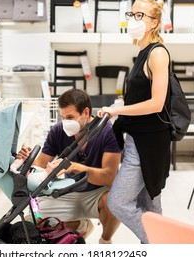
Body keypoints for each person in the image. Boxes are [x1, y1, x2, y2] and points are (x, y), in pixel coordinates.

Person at [97, 0, 171, 244]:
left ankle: (158, 242)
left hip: (148, 143)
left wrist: (119, 110)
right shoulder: (142, 52)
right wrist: (118, 110)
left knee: (118, 202)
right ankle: (155, 246)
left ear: (154, 23)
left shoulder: (157, 54)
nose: (133, 20)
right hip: (138, 138)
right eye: (131, 14)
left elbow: (156, 103)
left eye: (140, 16)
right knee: (148, 206)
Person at [17, 88, 122, 244]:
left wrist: (75, 167)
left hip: (97, 193)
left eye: (70, 117)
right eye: (63, 117)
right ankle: (81, 225)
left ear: (86, 112)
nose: (65, 122)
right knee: (33, 219)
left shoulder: (108, 132)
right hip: (68, 189)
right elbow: (40, 165)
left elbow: (110, 178)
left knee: (116, 200)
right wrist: (26, 161)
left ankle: (105, 240)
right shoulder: (58, 130)